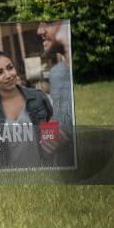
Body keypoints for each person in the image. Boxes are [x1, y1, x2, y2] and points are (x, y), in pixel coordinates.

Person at [0, 51, 53, 167]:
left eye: (10, 68)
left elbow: (52, 123)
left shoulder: (38, 97)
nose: (8, 75)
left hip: (43, 172)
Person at [37, 20, 73, 165]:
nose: (40, 31)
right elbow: (58, 114)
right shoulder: (55, 73)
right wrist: (48, 134)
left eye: (49, 23)